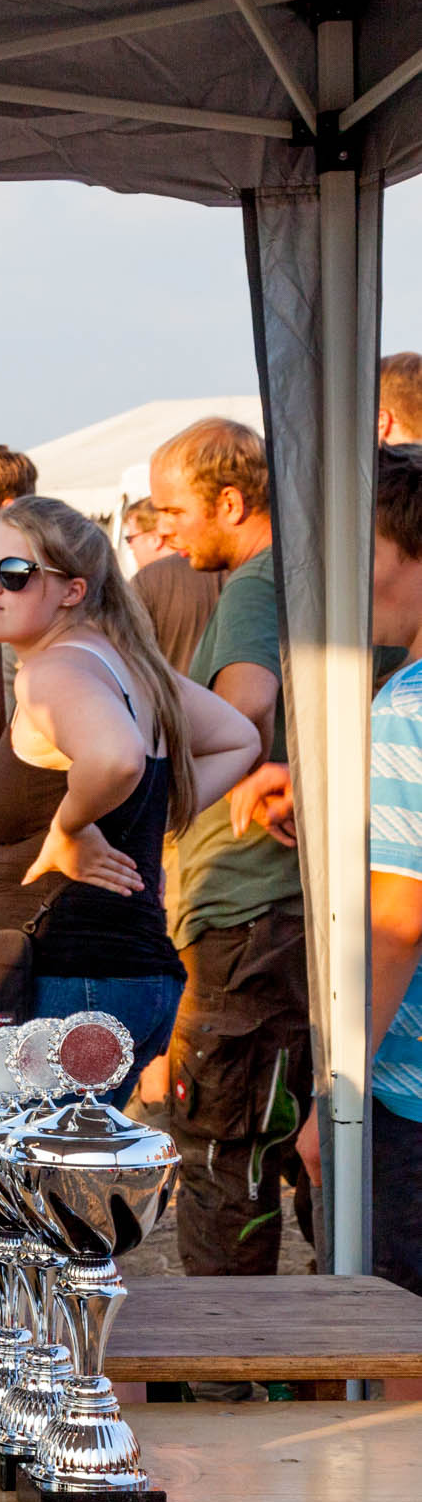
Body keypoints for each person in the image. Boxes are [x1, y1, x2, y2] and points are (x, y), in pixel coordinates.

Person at [0, 497, 260, 1103]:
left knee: (38, 1163)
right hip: (129, 979)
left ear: (72, 591)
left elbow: (117, 758)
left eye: (16, 573)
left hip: (72, 982)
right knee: (74, 1161)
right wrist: (146, 818)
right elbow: (240, 739)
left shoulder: (53, 672)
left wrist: (70, 829)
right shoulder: (130, 666)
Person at [148, 415, 313, 1277]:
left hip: (248, 906)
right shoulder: (310, 572)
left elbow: (245, 702)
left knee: (223, 1150)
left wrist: (161, 771)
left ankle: (230, 1346)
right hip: (284, 902)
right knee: (293, 1136)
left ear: (231, 502)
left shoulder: (256, 582)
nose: (164, 529)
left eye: (173, 510)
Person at [335, 444, 422, 1300]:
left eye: (367, 552)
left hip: (408, 1094)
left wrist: (341, 1091)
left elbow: (398, 922)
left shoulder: (406, 707)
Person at [125, 497, 224, 673]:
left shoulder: (145, 581)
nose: (131, 547)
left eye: (130, 538)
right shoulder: (224, 567)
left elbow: (129, 656)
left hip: (173, 689)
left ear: (154, 539)